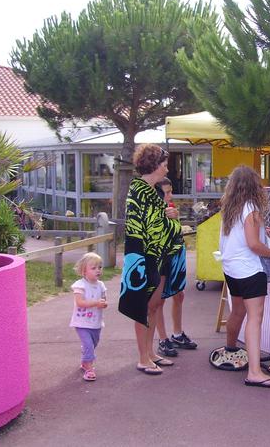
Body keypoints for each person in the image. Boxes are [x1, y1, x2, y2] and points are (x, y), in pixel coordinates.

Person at [219, 165, 270, 388]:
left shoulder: (230, 208)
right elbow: (253, 245)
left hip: (231, 268)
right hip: (249, 269)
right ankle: (255, 371)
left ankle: (231, 348)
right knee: (255, 318)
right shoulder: (252, 208)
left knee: (237, 311)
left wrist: (261, 232)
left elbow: (240, 238)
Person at [119, 144, 180, 375]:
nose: (166, 169)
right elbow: (144, 229)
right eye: (164, 165)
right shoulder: (139, 191)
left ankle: (151, 352)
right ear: (154, 165)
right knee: (143, 307)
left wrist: (171, 216)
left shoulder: (153, 192)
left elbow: (162, 224)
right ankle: (143, 358)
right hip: (145, 258)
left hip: (158, 256)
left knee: (154, 306)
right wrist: (170, 221)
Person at [154, 177, 197, 357]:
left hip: (176, 255)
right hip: (161, 257)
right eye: (167, 192)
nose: (170, 196)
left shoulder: (170, 208)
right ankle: (163, 339)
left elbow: (176, 230)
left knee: (179, 294)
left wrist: (175, 219)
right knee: (159, 299)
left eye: (171, 191)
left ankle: (177, 334)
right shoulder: (153, 211)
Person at [69, 252, 108, 382]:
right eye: (93, 268)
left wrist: (103, 304)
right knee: (89, 345)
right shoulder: (80, 285)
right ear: (83, 271)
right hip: (81, 322)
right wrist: (96, 303)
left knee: (94, 343)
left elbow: (103, 300)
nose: (98, 270)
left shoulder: (101, 285)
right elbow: (80, 302)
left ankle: (85, 360)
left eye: (100, 267)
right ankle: (89, 369)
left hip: (96, 322)